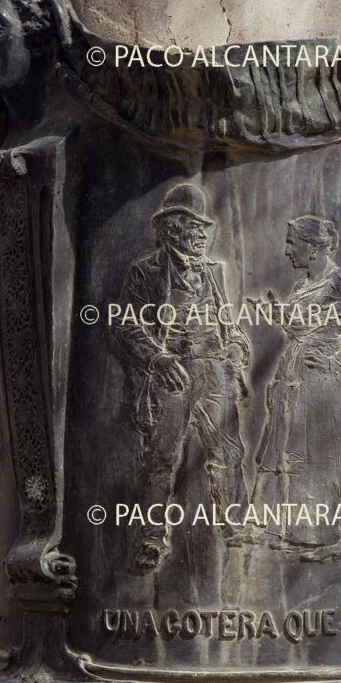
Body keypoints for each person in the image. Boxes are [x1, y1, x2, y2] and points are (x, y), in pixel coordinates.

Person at [115, 183, 252, 571]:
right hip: (171, 373)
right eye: (194, 229)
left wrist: (238, 349)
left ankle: (235, 524)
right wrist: (157, 358)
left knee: (229, 451)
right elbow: (127, 325)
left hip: (213, 371)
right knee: (161, 459)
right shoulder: (144, 272)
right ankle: (152, 539)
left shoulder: (214, 272)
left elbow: (230, 323)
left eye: (203, 230)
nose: (201, 236)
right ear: (173, 229)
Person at [253, 215, 341, 562]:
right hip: (298, 377)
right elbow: (302, 326)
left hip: (325, 386)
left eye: (292, 244)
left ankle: (329, 539)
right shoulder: (303, 285)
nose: (286, 252)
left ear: (313, 248)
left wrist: (335, 361)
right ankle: (304, 533)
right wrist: (277, 313)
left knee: (322, 459)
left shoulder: (337, 285)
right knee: (295, 455)